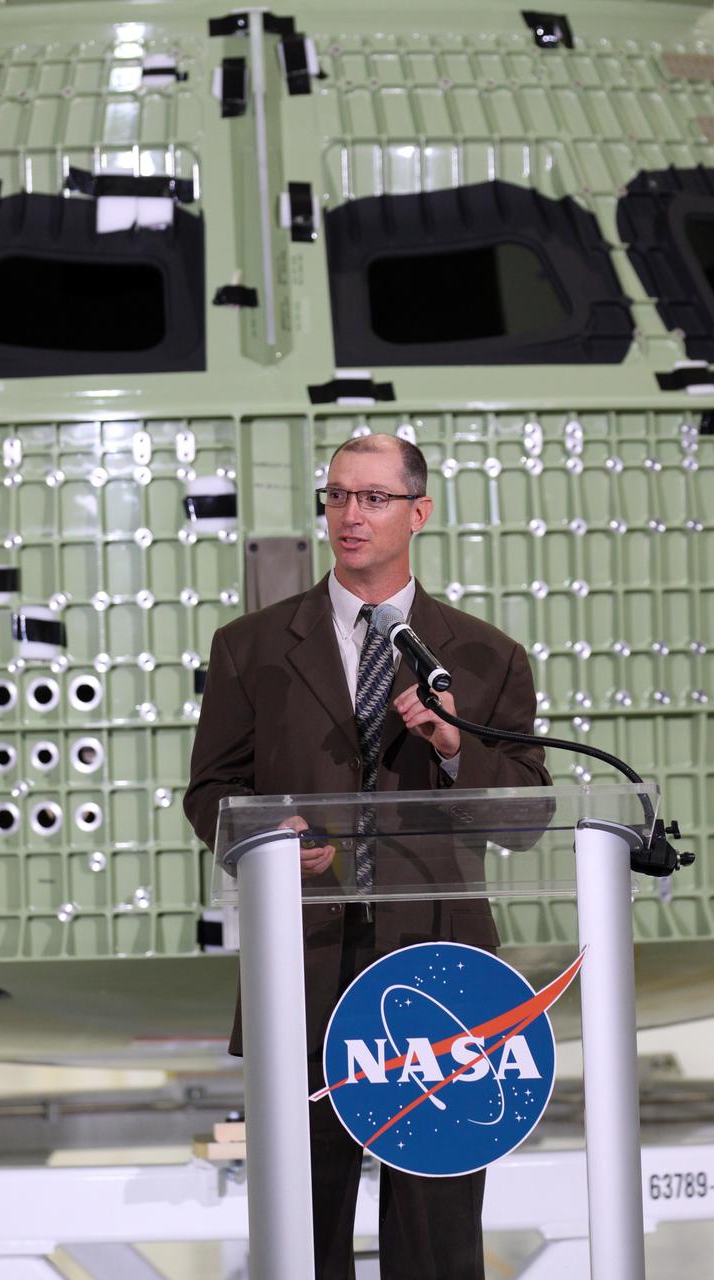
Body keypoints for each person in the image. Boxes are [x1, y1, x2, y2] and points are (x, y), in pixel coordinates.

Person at [183, 433, 551, 1280]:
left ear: (418, 513)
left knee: (435, 1238)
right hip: (304, 969)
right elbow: (211, 793)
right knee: (303, 1233)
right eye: (338, 496)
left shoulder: (487, 655)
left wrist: (457, 744)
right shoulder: (251, 647)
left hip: (440, 982)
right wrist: (271, 848)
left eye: (373, 498)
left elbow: (529, 814)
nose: (351, 515)